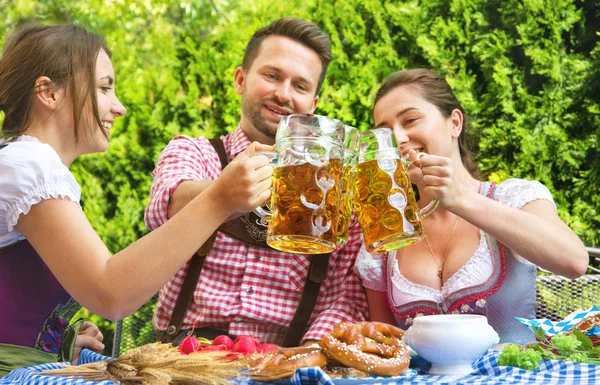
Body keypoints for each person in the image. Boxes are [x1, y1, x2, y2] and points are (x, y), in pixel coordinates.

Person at [0, 24, 272, 374]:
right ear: (48, 93)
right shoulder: (29, 166)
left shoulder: (22, 164)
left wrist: (59, 340)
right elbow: (111, 293)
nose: (120, 108)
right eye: (104, 88)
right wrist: (219, 200)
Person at [145, 17, 369, 346]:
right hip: (183, 356)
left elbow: (345, 299)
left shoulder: (333, 190)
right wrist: (228, 190)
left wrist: (304, 358)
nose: (283, 94)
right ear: (240, 79)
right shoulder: (196, 153)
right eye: (272, 76)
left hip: (280, 363)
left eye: (301, 86)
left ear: (313, 106)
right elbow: (164, 208)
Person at [354, 68, 589, 344]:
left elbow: (574, 262)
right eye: (385, 132)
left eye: (410, 120)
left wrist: (462, 200)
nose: (398, 139)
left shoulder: (513, 197)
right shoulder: (387, 231)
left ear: (454, 123)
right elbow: (385, 344)